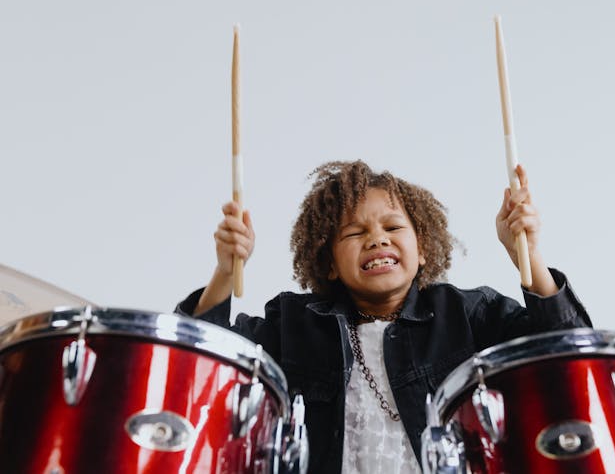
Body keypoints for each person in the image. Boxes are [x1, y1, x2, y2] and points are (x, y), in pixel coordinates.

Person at [176, 160, 591, 473]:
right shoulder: (292, 324)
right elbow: (195, 369)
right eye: (355, 233)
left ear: (423, 248)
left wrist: (529, 254)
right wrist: (225, 274)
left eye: (393, 226)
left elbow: (571, 362)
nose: (377, 238)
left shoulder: (467, 314)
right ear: (330, 264)